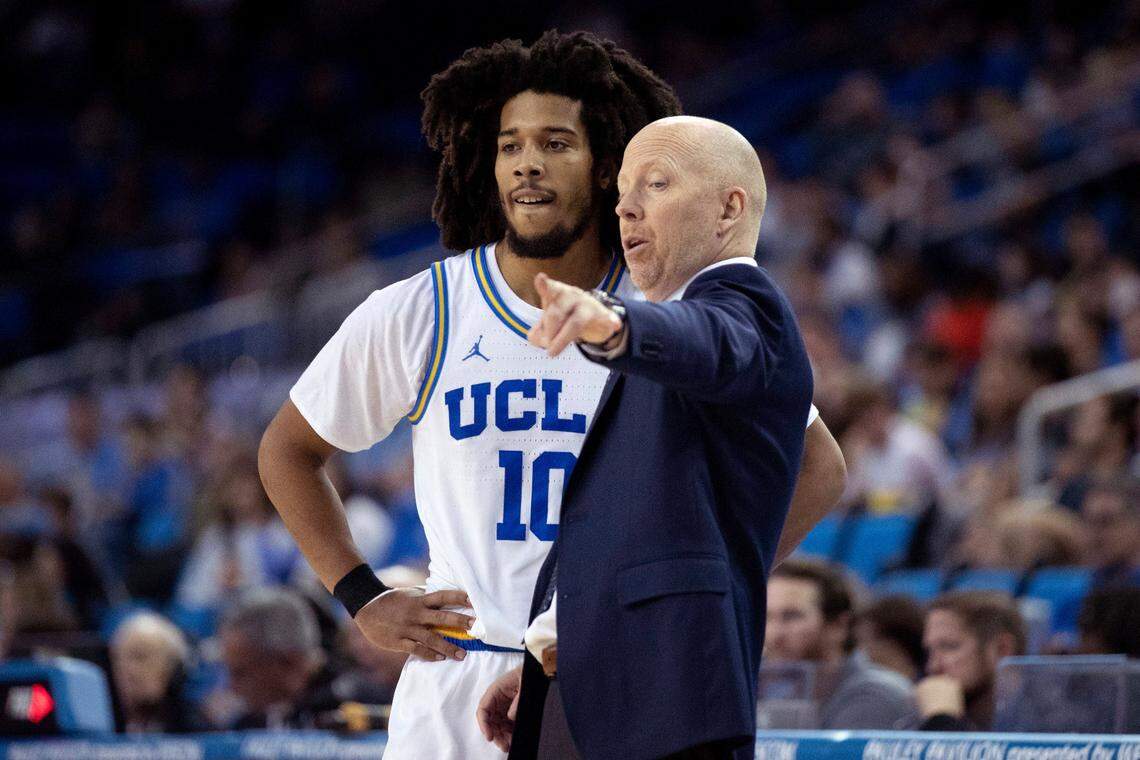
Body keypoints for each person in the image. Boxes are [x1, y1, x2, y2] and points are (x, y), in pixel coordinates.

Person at [260, 32, 843, 759]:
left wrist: (696, 586)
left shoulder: (666, 305)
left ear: (606, 165)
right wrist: (362, 595)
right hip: (459, 674)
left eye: (557, 142)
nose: (527, 161)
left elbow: (818, 464)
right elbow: (287, 450)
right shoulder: (421, 309)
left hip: (612, 667)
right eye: (510, 144)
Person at [477, 115, 815, 759]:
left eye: (656, 185)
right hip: (595, 692)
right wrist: (548, 650)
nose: (626, 207)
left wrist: (613, 323)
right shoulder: (666, 338)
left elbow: (708, 340)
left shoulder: (748, 307)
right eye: (623, 191)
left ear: (729, 208)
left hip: (669, 707)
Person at [765, 559, 917, 729]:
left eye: (791, 616)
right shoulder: (775, 692)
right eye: (767, 617)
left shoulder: (874, 696)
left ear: (838, 625)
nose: (774, 635)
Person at [217, 587, 342, 730]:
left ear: (289, 661)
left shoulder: (355, 713)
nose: (231, 686)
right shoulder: (248, 724)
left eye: (241, 672)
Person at [917, 590, 1027, 730]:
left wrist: (942, 721)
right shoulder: (927, 712)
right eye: (929, 652)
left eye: (948, 647)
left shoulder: (1048, 717)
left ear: (1002, 649)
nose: (932, 667)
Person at [109, 612, 205, 733]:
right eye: (118, 659)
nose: (128, 670)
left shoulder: (200, 729)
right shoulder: (99, 729)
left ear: (173, 667)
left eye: (140, 656)